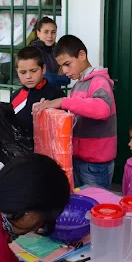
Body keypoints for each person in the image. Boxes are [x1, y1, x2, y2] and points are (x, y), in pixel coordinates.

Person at [33, 35, 117, 189]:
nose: (64, 71)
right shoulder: (78, 85)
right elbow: (77, 112)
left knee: (96, 202)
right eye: (61, 66)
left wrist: (62, 101)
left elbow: (103, 109)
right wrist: (51, 108)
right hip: (78, 159)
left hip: (95, 164)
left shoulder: (99, 81)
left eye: (67, 64)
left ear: (82, 55)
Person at [11, 46, 65, 136]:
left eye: (33, 71)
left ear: (43, 69)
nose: (28, 76)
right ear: (17, 71)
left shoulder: (56, 94)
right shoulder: (15, 96)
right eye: (23, 72)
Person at [29, 16, 71, 87]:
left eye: (53, 32)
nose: (50, 36)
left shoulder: (58, 51)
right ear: (38, 33)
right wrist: (58, 75)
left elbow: (67, 79)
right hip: (39, 92)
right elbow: (48, 79)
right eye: (46, 32)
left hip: (56, 92)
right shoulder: (33, 52)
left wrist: (52, 76)